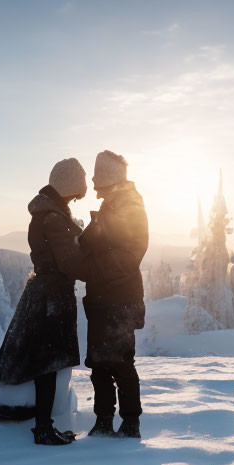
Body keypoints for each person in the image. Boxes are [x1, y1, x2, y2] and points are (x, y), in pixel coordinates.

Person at [0, 158, 89, 445]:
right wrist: (99, 271)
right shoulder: (54, 216)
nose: (84, 185)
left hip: (46, 292)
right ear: (69, 182)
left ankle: (44, 426)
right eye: (80, 180)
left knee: (47, 361)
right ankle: (43, 429)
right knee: (47, 362)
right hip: (51, 295)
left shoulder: (52, 212)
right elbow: (69, 262)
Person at [79, 150, 149, 439]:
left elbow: (129, 255)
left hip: (119, 301)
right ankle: (104, 421)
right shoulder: (111, 204)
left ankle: (130, 423)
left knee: (120, 363)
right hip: (102, 299)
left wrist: (92, 265)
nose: (94, 184)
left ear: (108, 179)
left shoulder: (130, 206)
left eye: (98, 177)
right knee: (99, 364)